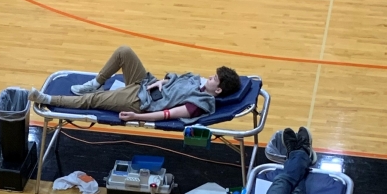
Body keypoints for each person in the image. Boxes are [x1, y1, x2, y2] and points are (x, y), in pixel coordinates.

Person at [28, 46, 240, 123]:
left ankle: (48, 99)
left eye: (214, 79)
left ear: (218, 90)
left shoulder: (199, 104)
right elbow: (178, 78)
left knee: (93, 101)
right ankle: (96, 82)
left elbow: (166, 115)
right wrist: (163, 81)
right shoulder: (201, 83)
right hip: (146, 83)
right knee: (124, 51)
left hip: (139, 101)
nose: (209, 78)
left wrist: (137, 117)